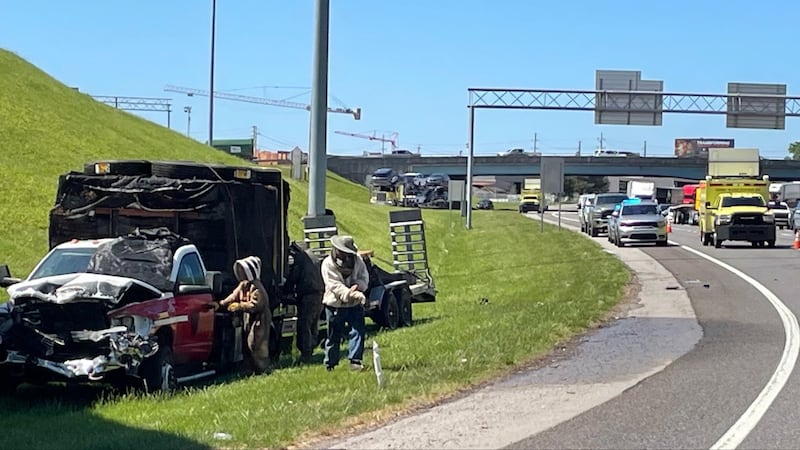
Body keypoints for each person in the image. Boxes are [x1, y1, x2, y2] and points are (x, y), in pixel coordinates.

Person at [321, 235, 370, 371]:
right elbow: (334, 285)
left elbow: (364, 277)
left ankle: (355, 361)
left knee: (358, 331)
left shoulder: (358, 260)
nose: (347, 256)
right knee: (333, 335)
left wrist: (358, 285)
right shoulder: (328, 264)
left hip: (354, 304)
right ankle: (330, 364)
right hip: (335, 305)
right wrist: (350, 293)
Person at [219, 256, 272, 375]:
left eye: (243, 270)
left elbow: (255, 305)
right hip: (249, 319)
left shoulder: (257, 288)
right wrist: (220, 304)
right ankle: (250, 370)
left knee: (257, 345)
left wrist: (239, 306)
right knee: (246, 344)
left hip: (260, 320)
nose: (240, 273)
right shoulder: (243, 285)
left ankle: (263, 370)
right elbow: (233, 296)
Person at [281, 241, 324, 364]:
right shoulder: (314, 257)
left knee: (304, 324)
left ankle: (306, 354)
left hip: (308, 295)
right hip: (319, 294)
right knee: (313, 323)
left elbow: (294, 276)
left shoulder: (301, 258)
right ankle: (311, 348)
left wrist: (285, 289)